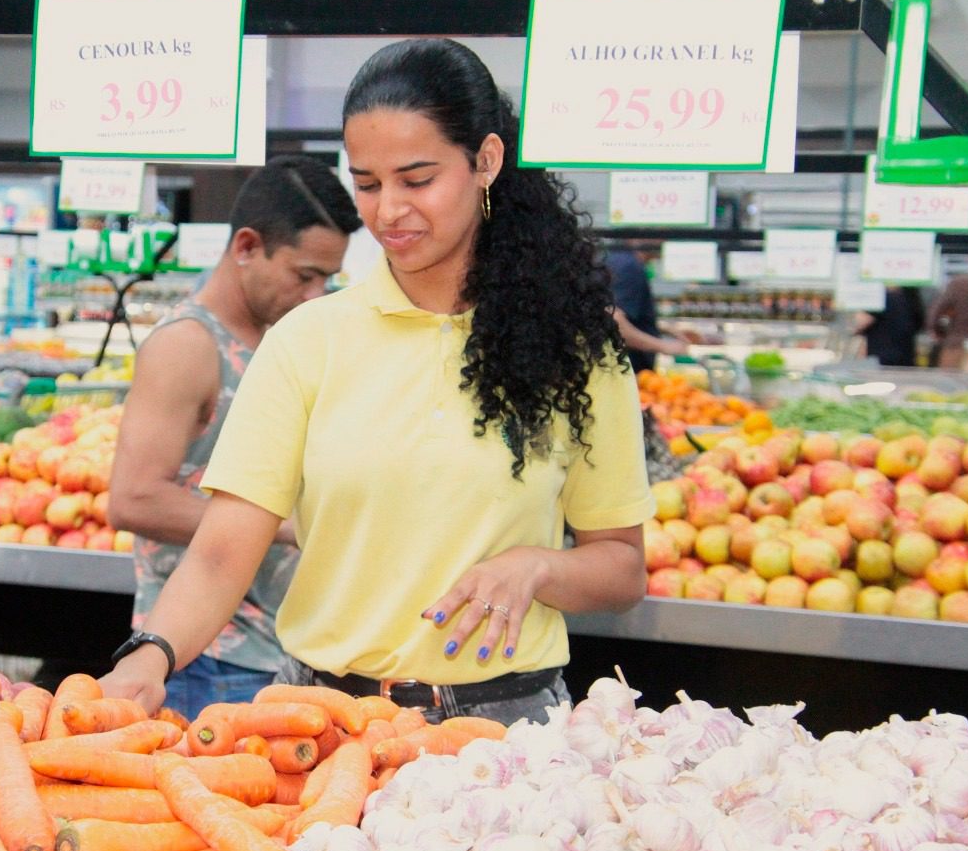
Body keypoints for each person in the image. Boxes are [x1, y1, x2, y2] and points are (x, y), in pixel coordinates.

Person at [100, 39, 652, 725]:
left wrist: (539, 568)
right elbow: (219, 555)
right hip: (319, 726)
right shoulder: (308, 340)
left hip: (504, 738)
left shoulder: (574, 353)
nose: (388, 210)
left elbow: (622, 566)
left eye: (416, 179)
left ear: (486, 161)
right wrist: (149, 655)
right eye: (367, 183)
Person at [109, 157, 361, 719]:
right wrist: (288, 523)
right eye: (304, 275)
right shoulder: (187, 347)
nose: (316, 294)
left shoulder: (286, 340)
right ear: (246, 247)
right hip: (209, 655)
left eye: (328, 280)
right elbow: (132, 498)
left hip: (285, 644)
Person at [606, 247, 688, 371]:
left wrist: (659, 329)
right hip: (628, 371)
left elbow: (620, 315)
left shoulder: (620, 260)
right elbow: (613, 321)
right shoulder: (629, 266)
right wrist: (664, 346)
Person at [929, 259, 968, 369]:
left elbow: (935, 315)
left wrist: (941, 335)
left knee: (951, 382)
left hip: (956, 345)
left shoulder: (958, 283)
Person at [856, 286, 926, 367]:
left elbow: (861, 323)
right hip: (906, 358)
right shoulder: (911, 297)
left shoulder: (880, 298)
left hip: (881, 358)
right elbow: (919, 323)